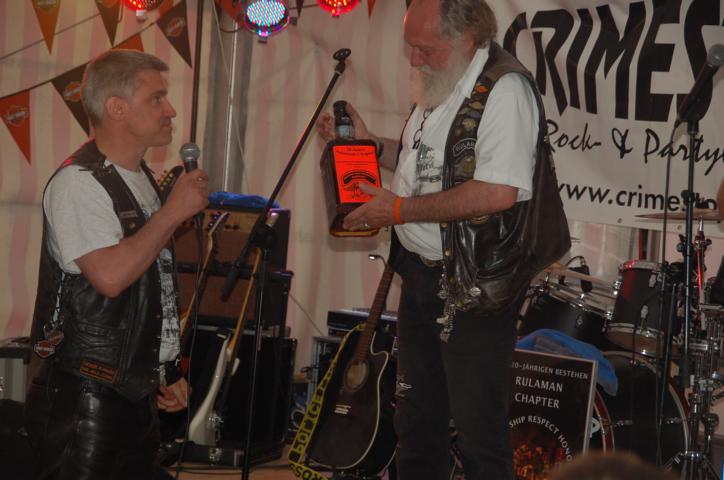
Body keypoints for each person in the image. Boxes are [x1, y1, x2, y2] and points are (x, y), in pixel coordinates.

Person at [316, 0, 569, 478]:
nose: (414, 59)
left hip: (475, 287)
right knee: (416, 424)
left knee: (479, 435)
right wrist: (370, 146)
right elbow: (428, 166)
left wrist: (397, 210)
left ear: (466, 38)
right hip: (421, 274)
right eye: (410, 47)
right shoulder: (443, 79)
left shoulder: (505, 89)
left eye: (424, 49)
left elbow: (497, 192)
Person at [23, 49, 209, 479]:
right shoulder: (79, 183)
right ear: (116, 108)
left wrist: (166, 368)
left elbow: (153, 288)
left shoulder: (142, 179)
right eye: (156, 98)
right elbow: (109, 277)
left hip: (132, 394)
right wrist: (172, 213)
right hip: (86, 399)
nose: (170, 110)